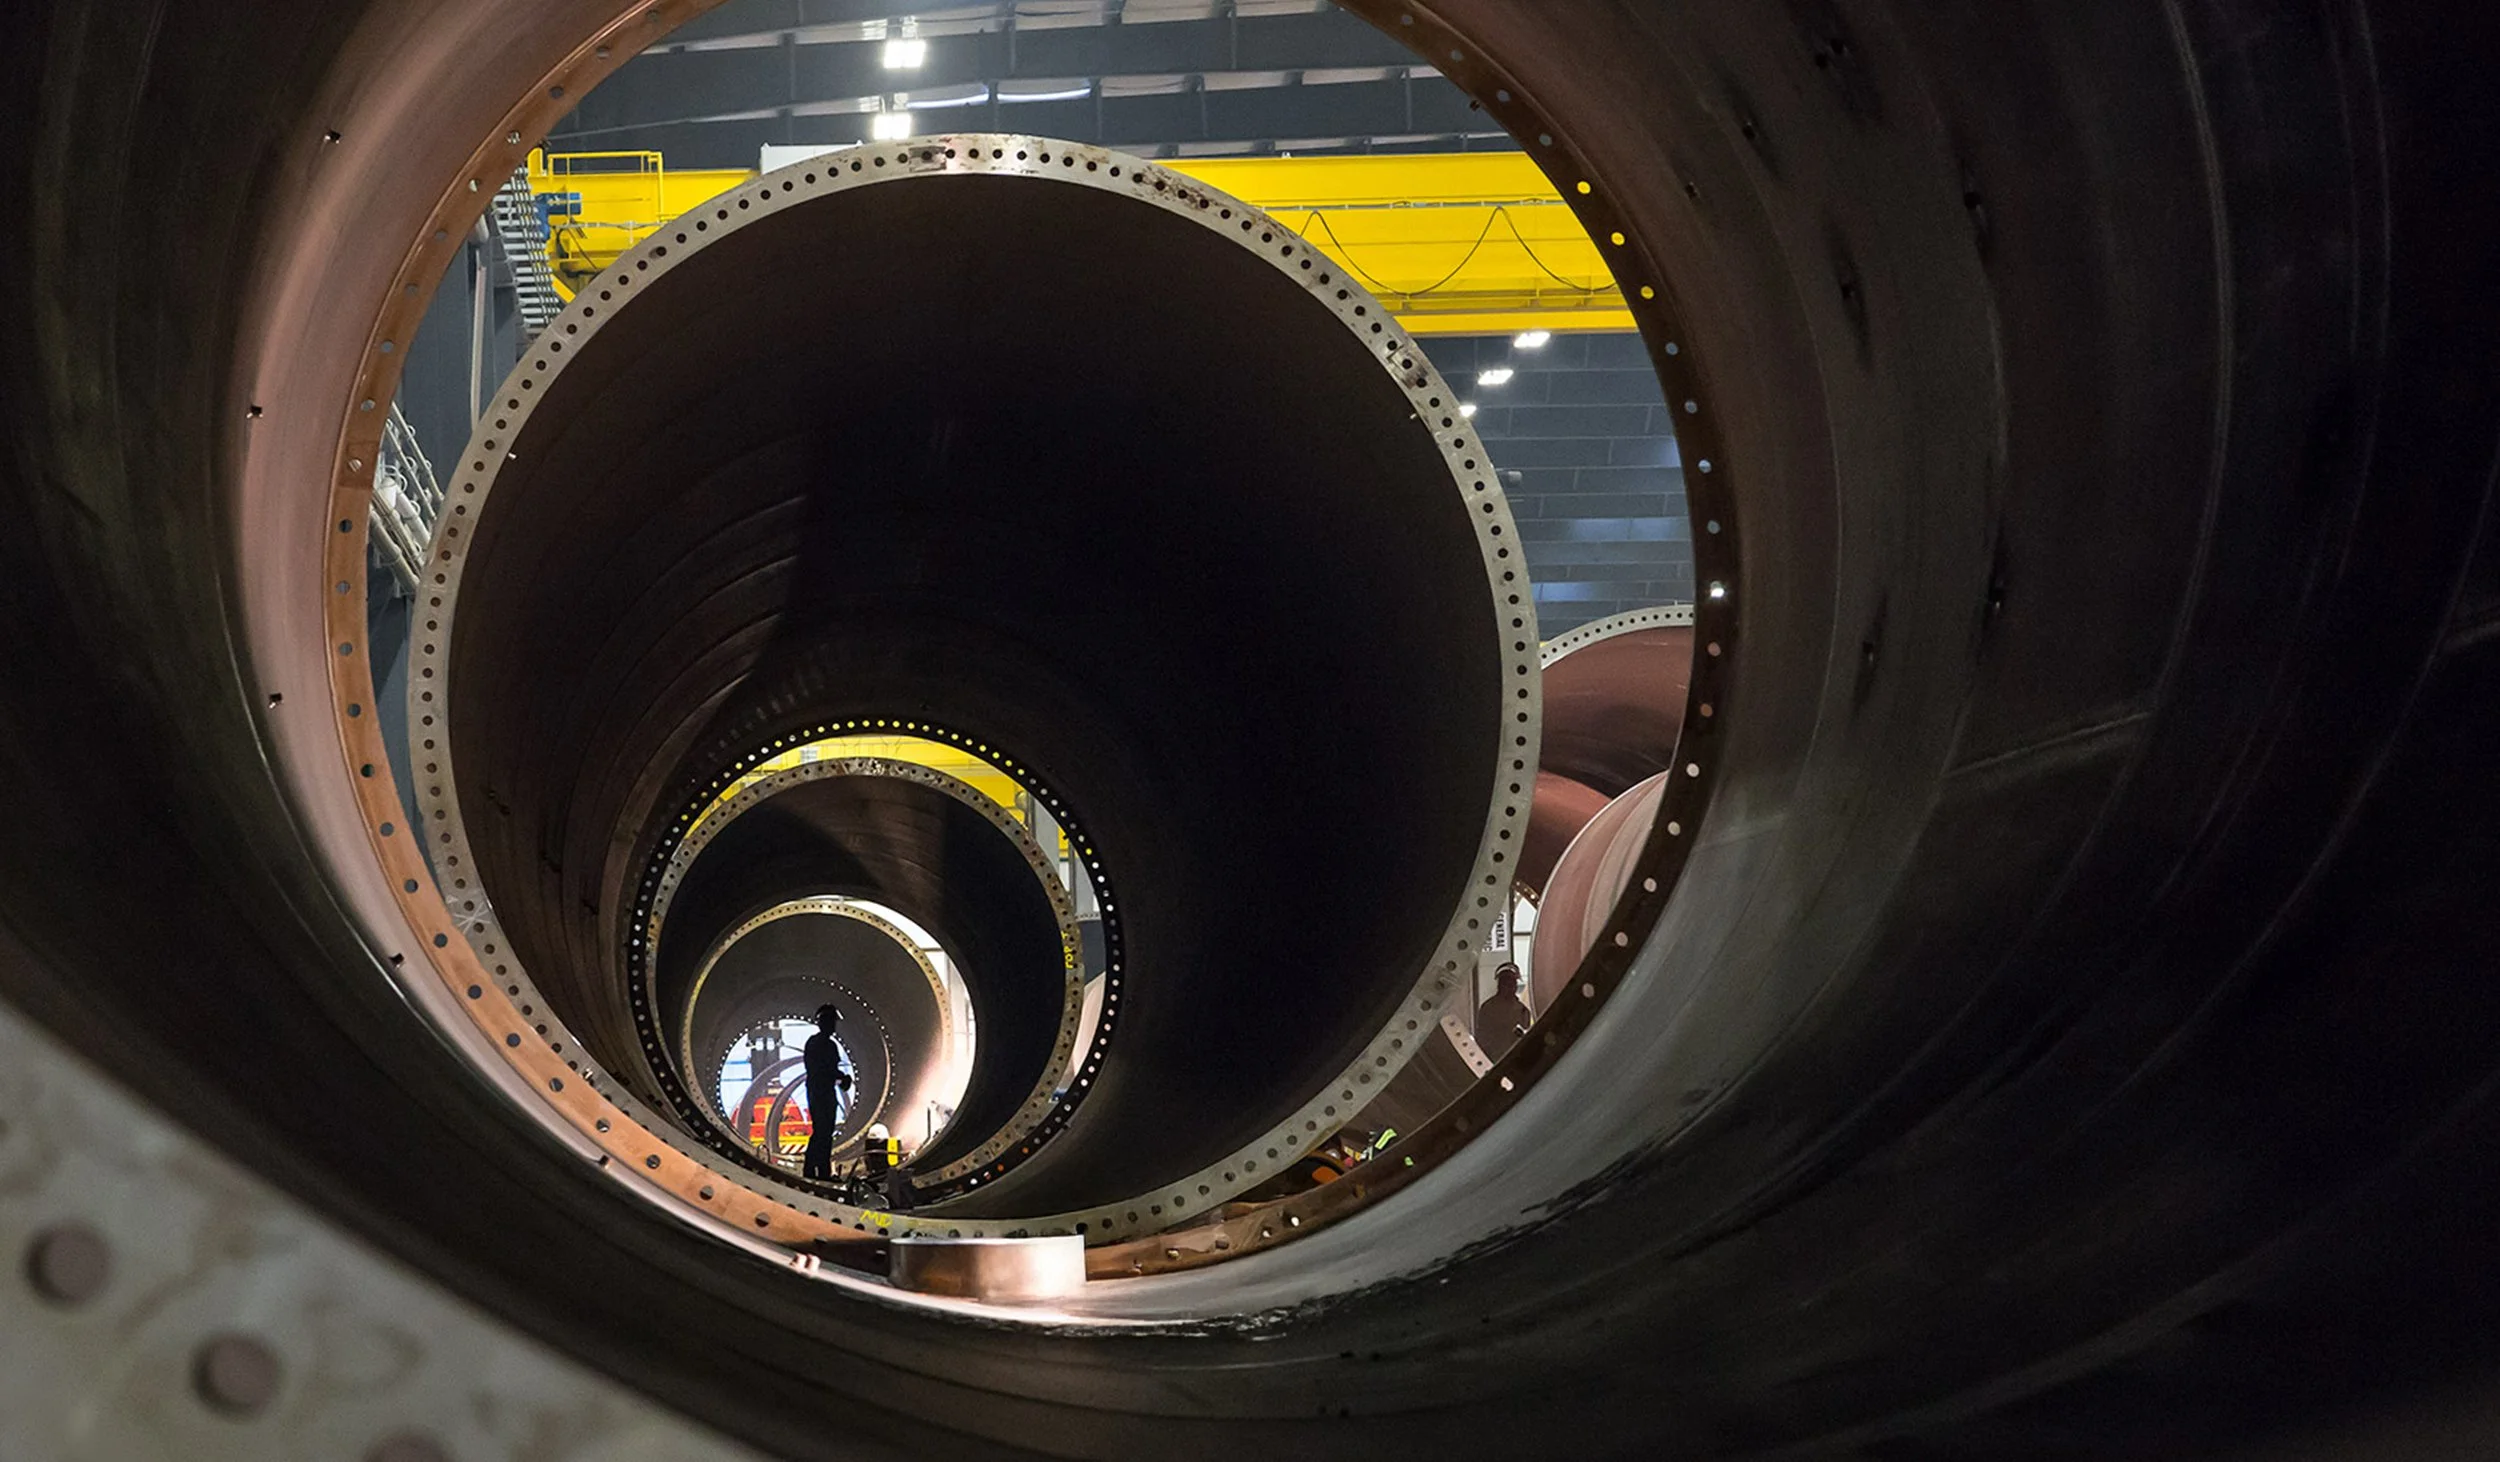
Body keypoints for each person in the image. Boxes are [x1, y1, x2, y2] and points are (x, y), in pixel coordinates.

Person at [800, 1004, 854, 1181]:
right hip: (821, 1092)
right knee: (823, 1130)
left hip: (818, 1091)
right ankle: (817, 1171)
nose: (833, 1026)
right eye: (831, 1022)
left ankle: (816, 1169)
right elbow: (825, 1069)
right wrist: (842, 1077)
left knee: (822, 1130)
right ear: (824, 1023)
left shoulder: (814, 1043)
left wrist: (840, 1077)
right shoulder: (825, 1045)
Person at [1474, 962, 1532, 1064]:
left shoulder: (1522, 1010)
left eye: (1514, 984)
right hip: (1494, 1060)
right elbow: (1481, 1037)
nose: (1512, 987)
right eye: (1508, 984)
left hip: (1516, 1060)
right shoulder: (1488, 1008)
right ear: (1500, 985)